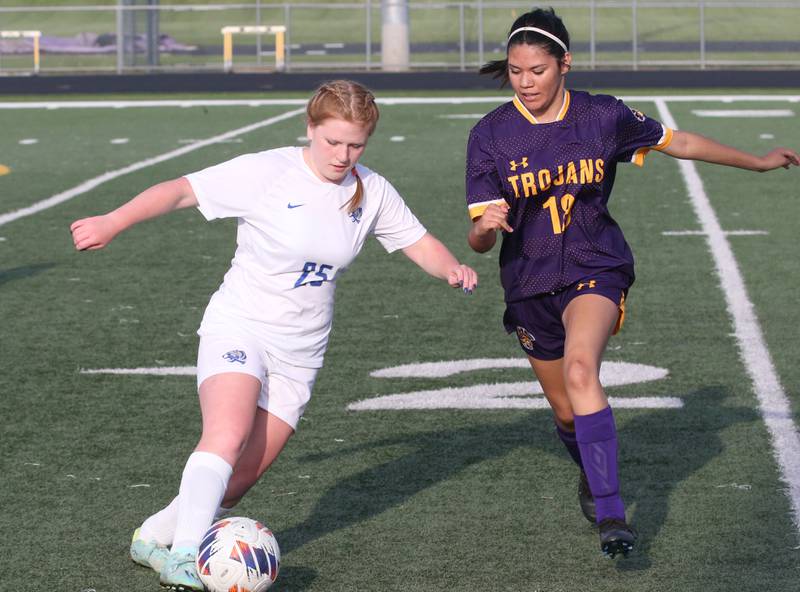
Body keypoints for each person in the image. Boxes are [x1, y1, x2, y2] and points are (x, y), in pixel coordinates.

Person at [71, 80, 478, 590]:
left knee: (239, 480)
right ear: (310, 128)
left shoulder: (371, 190)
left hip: (300, 352)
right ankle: (185, 559)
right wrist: (113, 220)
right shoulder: (267, 172)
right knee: (227, 433)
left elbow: (417, 241)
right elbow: (180, 190)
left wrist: (450, 269)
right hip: (240, 324)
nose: (342, 155)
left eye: (355, 145)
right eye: (332, 142)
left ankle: (153, 536)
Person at [465, 7, 799, 558]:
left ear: (565, 64)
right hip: (527, 280)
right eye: (517, 72)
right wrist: (483, 229)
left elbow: (681, 143)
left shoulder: (603, 116)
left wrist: (758, 163)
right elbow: (478, 242)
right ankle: (592, 474)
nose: (526, 83)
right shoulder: (491, 135)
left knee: (581, 369)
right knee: (568, 411)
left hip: (597, 264)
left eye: (538, 71)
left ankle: (613, 514)